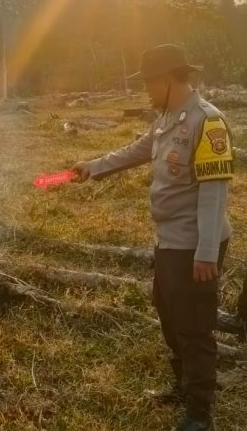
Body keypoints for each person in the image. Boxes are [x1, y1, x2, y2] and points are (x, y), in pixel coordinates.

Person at [71, 44, 232, 431]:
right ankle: (181, 384)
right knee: (168, 311)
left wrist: (207, 253)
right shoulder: (165, 118)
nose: (144, 90)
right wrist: (93, 167)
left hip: (196, 244)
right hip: (169, 240)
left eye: (147, 82)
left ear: (167, 79)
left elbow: (214, 193)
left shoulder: (207, 122)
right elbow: (137, 151)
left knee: (194, 324)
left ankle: (199, 411)